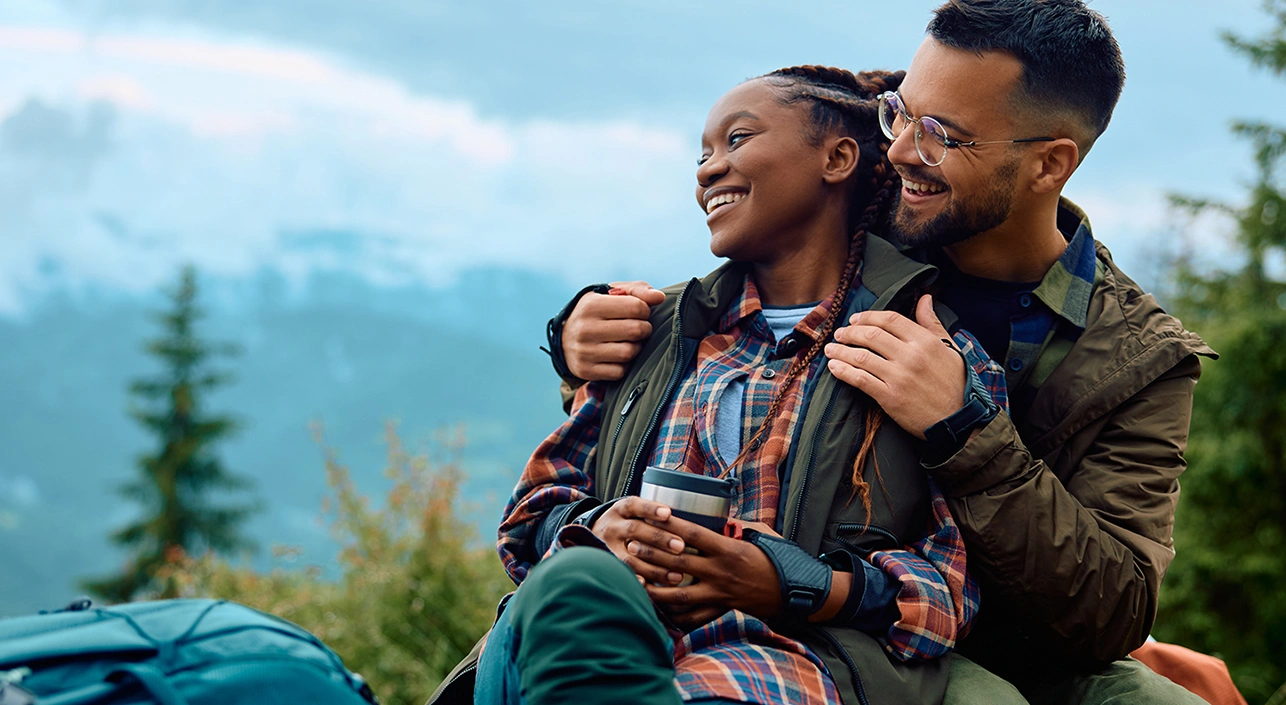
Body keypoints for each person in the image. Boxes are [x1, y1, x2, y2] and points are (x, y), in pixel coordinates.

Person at [544, 2, 1217, 704]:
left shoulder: (1140, 358)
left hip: (1008, 636)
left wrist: (964, 431)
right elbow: (733, 314)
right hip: (834, 612)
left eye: (942, 137)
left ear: (1049, 164)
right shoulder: (876, 208)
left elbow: (1112, 611)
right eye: (900, 112)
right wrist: (583, 332)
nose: (898, 151)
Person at [430, 66, 1010, 705]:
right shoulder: (652, 332)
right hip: (595, 635)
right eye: (703, 153)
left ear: (838, 157)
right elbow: (531, 517)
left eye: (738, 139)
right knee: (575, 589)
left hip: (773, 664)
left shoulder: (925, 355)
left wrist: (789, 582)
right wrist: (599, 529)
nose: (708, 170)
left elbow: (947, 594)